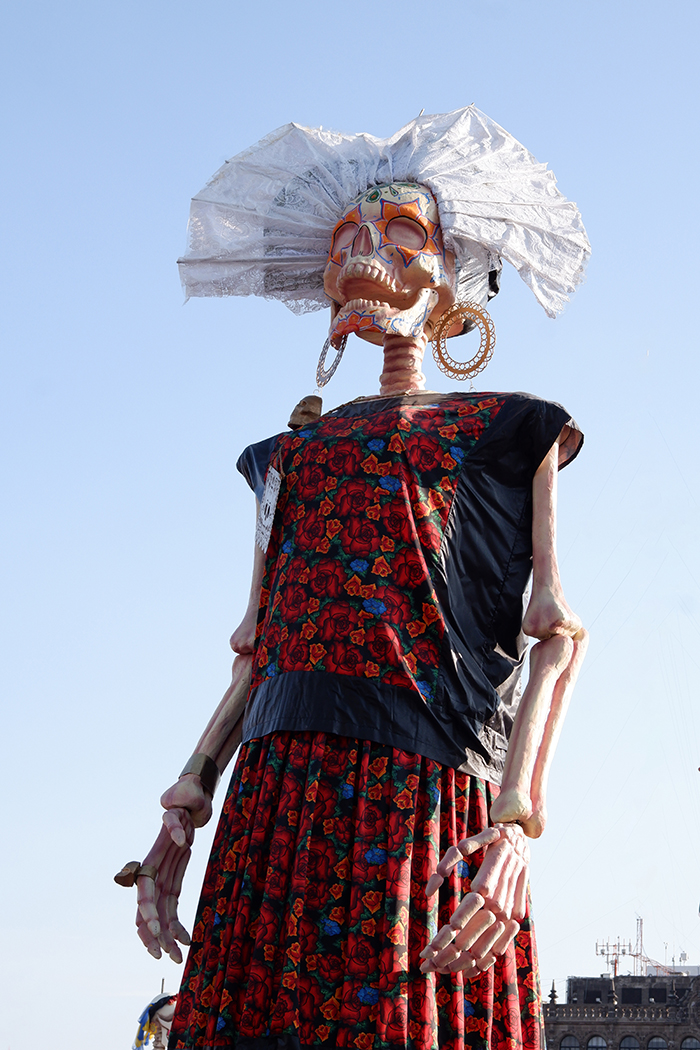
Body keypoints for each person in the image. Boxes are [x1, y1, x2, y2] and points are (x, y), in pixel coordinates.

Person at [116, 107, 591, 1050]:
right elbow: (258, 651)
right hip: (275, 803)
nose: (367, 257)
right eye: (348, 241)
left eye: (403, 236)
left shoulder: (504, 433)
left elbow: (557, 635)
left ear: (451, 275)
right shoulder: (286, 458)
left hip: (417, 800)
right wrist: (185, 803)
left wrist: (514, 831)